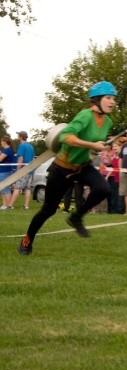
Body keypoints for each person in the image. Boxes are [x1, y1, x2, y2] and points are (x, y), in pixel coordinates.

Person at [18, 81, 117, 255]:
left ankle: (76, 217)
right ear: (97, 99)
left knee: (103, 189)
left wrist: (99, 146)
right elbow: (65, 136)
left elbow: (95, 144)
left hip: (83, 167)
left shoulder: (108, 121)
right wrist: (91, 144)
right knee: (48, 210)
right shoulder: (85, 116)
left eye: (114, 98)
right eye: (108, 97)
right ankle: (27, 239)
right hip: (62, 169)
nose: (112, 101)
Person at [9, 131, 35, 210]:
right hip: (31, 169)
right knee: (28, 188)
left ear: (21, 137)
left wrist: (18, 171)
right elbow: (33, 158)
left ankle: (10, 205)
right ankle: (26, 206)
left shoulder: (21, 146)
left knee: (17, 187)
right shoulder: (31, 146)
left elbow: (20, 158)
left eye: (18, 135)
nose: (17, 136)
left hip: (24, 169)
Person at [0, 135, 17, 210]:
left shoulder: (7, 150)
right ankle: (5, 205)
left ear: (4, 141)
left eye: (1, 141)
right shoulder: (7, 150)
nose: (0, 143)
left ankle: (8, 205)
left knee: (5, 187)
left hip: (5, 171)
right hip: (5, 170)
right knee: (2, 187)